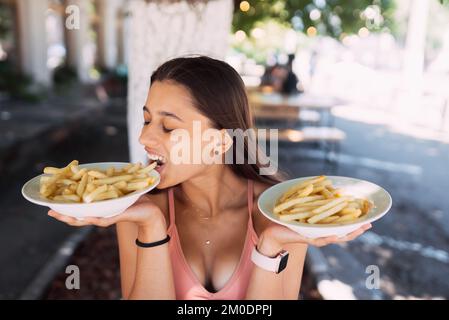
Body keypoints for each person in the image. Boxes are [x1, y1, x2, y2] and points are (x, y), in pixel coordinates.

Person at [47, 56, 371, 300]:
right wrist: (151, 225)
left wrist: (270, 246)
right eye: (146, 120)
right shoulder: (135, 211)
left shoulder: (280, 211)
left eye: (168, 126)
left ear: (220, 141)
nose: (145, 137)